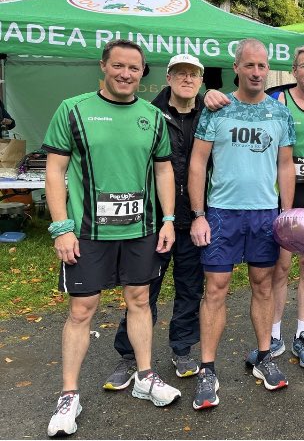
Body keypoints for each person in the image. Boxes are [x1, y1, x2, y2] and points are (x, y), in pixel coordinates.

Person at [44, 39, 181, 437]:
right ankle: (69, 395)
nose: (126, 74)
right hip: (87, 233)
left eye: (134, 68)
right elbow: (56, 171)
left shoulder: (153, 117)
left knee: (140, 300)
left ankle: (145, 376)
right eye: (118, 66)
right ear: (103, 66)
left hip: (140, 230)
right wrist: (61, 227)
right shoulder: (74, 109)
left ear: (143, 73)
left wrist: (168, 219)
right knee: (82, 309)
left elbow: (163, 171)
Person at [205, 45, 304, 369]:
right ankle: (274, 336)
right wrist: (208, 93)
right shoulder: (279, 101)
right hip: (280, 196)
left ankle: (302, 336)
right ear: (293, 69)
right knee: (278, 268)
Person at [188, 38, 295, 410]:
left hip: (265, 214)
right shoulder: (217, 108)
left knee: (263, 285)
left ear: (268, 69)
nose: (256, 72)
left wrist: (288, 215)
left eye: (262, 66)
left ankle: (264, 356)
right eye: (249, 65)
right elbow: (198, 163)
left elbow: (285, 165)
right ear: (236, 68)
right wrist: (199, 215)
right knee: (216, 288)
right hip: (221, 212)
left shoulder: (280, 114)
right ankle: (207, 370)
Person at [104, 53, 207, 390]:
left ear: (201, 80)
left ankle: (182, 349)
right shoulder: (147, 113)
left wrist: (200, 214)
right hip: (154, 220)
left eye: (194, 74)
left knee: (190, 288)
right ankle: (129, 355)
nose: (187, 79)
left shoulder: (210, 113)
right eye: (180, 73)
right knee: (143, 290)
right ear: (169, 77)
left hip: (193, 219)